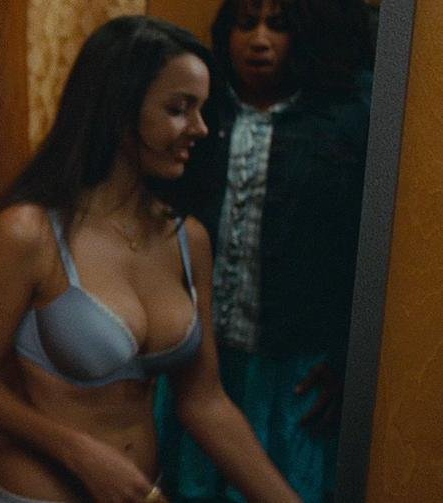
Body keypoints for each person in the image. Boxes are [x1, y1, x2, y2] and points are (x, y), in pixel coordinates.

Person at [0, 15, 300, 503]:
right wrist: (80, 453)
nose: (200, 129)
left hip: (140, 491)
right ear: (118, 110)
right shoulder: (29, 232)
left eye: (202, 110)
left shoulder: (187, 239)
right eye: (179, 109)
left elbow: (204, 402)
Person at [154, 0, 373, 500]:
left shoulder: (345, 120)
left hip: (294, 363)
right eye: (245, 23)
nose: (259, 40)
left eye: (278, 25)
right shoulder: (199, 115)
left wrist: (349, 358)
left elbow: (363, 247)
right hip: (199, 353)